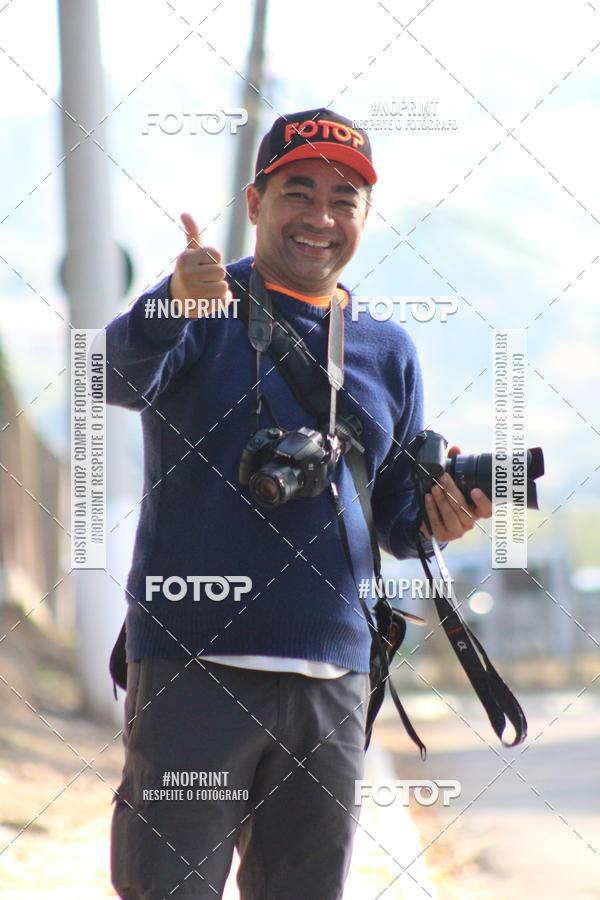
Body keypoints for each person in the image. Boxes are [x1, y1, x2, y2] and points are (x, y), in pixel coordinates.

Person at [106, 108, 492, 900]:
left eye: (343, 198)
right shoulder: (198, 305)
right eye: (298, 191)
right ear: (255, 202)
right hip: (194, 669)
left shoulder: (389, 348)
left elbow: (393, 516)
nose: (320, 216)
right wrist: (173, 302)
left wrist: (437, 522)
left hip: (333, 682)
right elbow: (110, 378)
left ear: (363, 215)